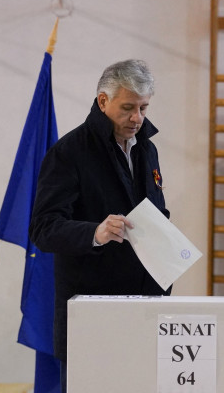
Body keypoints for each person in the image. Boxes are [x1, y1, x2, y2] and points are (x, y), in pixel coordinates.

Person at [29, 59, 170, 392]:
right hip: (91, 312)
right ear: (103, 101)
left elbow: (156, 213)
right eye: (128, 108)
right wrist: (95, 232)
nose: (137, 118)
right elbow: (43, 228)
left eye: (143, 108)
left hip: (146, 309)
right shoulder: (68, 152)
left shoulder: (147, 149)